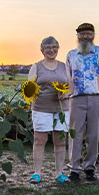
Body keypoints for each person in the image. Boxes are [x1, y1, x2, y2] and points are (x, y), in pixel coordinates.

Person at [66, 23, 99, 182]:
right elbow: (67, 79)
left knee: (94, 134)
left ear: (93, 35)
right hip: (76, 98)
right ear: (78, 36)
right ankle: (74, 168)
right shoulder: (71, 55)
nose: (85, 37)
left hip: (98, 97)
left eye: (88, 34)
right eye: (82, 34)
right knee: (75, 133)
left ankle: (89, 167)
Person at [28, 36, 70, 184]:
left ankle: (59, 173)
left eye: (54, 47)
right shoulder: (36, 67)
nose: (51, 50)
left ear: (58, 48)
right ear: (42, 50)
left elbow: (71, 86)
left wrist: (66, 94)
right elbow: (30, 87)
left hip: (61, 108)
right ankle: (37, 173)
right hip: (41, 108)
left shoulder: (64, 66)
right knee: (40, 140)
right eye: (48, 48)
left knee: (60, 139)